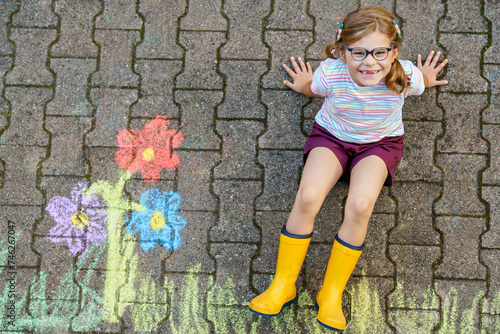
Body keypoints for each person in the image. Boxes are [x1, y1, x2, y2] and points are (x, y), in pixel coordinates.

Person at [248, 6, 448, 332]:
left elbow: (421, 81)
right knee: (309, 195)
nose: (370, 62)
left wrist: (426, 76)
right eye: (359, 52)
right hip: (332, 138)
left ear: (394, 52)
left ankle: (331, 293)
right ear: (342, 52)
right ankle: (282, 285)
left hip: (379, 145)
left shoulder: (404, 75)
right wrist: (302, 83)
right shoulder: (330, 73)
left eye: (380, 52)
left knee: (360, 205)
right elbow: (311, 88)